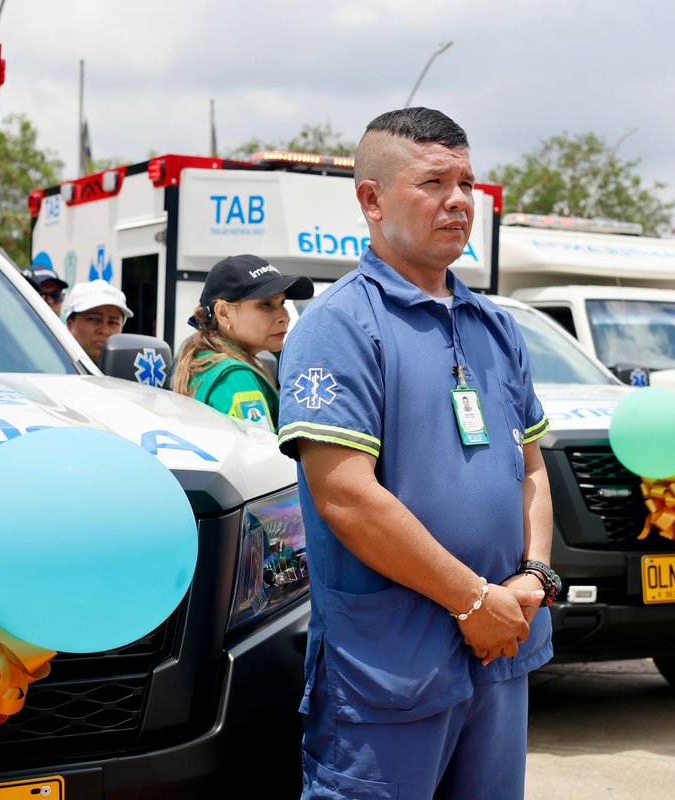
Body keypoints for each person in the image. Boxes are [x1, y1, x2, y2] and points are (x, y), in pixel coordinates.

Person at [275, 107, 557, 798]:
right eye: (434, 182)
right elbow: (347, 496)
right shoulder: (340, 326)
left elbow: (530, 468)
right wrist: (471, 603)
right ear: (370, 199)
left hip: (501, 648)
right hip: (391, 665)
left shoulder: (496, 327)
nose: (459, 200)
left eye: (467, 182)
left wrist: (533, 577)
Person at [171, 254, 313, 432]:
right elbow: (259, 457)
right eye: (266, 304)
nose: (284, 316)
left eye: (282, 303)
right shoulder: (235, 378)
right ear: (224, 313)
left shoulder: (206, 359)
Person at [62, 279, 132, 365]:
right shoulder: (52, 369)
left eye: (113, 322)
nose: (105, 331)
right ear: (70, 325)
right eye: (94, 319)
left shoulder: (130, 373)